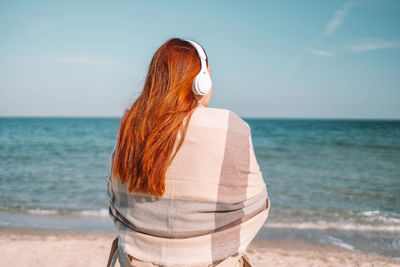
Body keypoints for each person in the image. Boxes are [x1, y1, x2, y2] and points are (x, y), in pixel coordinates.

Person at [106, 37, 270, 267]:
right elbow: (256, 204)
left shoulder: (131, 126)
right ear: (200, 81)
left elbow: (116, 200)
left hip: (136, 261)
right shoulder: (230, 126)